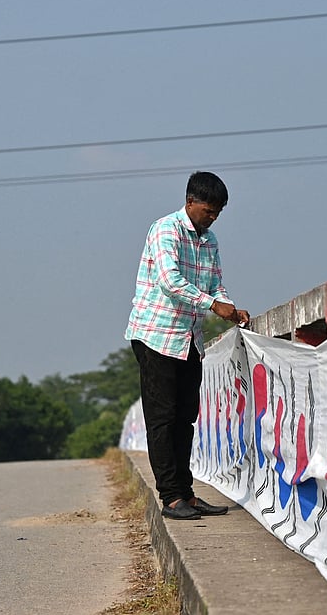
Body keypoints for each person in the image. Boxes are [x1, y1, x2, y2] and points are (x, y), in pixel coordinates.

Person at [125, 171, 250, 520]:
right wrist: (213, 305)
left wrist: (228, 307)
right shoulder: (166, 230)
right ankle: (171, 498)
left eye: (217, 213)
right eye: (208, 210)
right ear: (190, 202)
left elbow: (216, 284)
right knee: (163, 419)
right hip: (157, 335)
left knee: (186, 418)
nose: (212, 218)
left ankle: (187, 492)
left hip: (189, 339)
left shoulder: (209, 241)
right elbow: (169, 282)